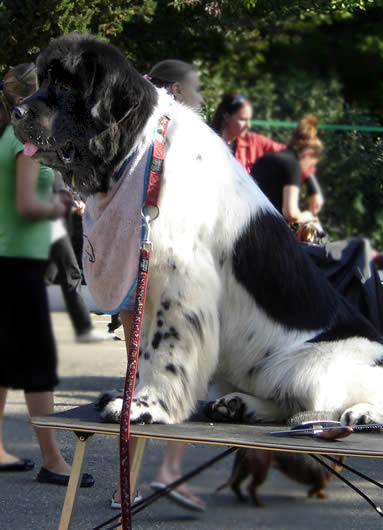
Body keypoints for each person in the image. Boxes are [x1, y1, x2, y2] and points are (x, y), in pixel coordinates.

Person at [110, 59, 206, 512]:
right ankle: (167, 471)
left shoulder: (127, 126)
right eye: (197, 90)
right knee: (179, 370)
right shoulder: (176, 132)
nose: (202, 99)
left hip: (130, 264)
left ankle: (124, 487)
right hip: (165, 265)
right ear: (175, 90)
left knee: (138, 373)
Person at [0, 63, 94, 487]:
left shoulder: (9, 136)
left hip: (9, 260)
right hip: (17, 265)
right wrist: (65, 208)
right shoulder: (25, 140)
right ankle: (54, 461)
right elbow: (25, 204)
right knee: (38, 363)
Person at [212, 93, 324, 215]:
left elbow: (293, 154)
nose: (248, 125)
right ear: (227, 117)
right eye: (243, 120)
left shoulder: (253, 141)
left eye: (249, 120)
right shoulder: (209, 144)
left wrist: (313, 188)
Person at [45, 172, 116, 343]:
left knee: (46, 277)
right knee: (71, 275)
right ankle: (84, 328)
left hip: (53, 228)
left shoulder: (47, 166)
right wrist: (76, 204)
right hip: (53, 229)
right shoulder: (49, 169)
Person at [251, 113, 323, 225]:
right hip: (267, 234)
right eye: (310, 166)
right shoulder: (293, 165)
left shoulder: (264, 159)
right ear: (308, 153)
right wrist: (308, 216)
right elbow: (290, 214)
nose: (307, 171)